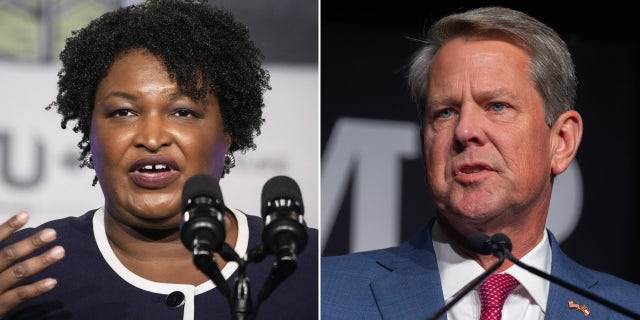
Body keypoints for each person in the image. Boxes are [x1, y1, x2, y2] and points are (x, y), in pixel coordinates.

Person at [0, 0, 318, 319]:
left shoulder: (312, 269)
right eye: (123, 112)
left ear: (228, 134)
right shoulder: (18, 273)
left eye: (183, 112)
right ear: (90, 131)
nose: (151, 139)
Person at [321, 6, 640, 320]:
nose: (465, 131)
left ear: (561, 142)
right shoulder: (325, 295)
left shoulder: (625, 310)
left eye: (497, 106)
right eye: (445, 112)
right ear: (424, 143)